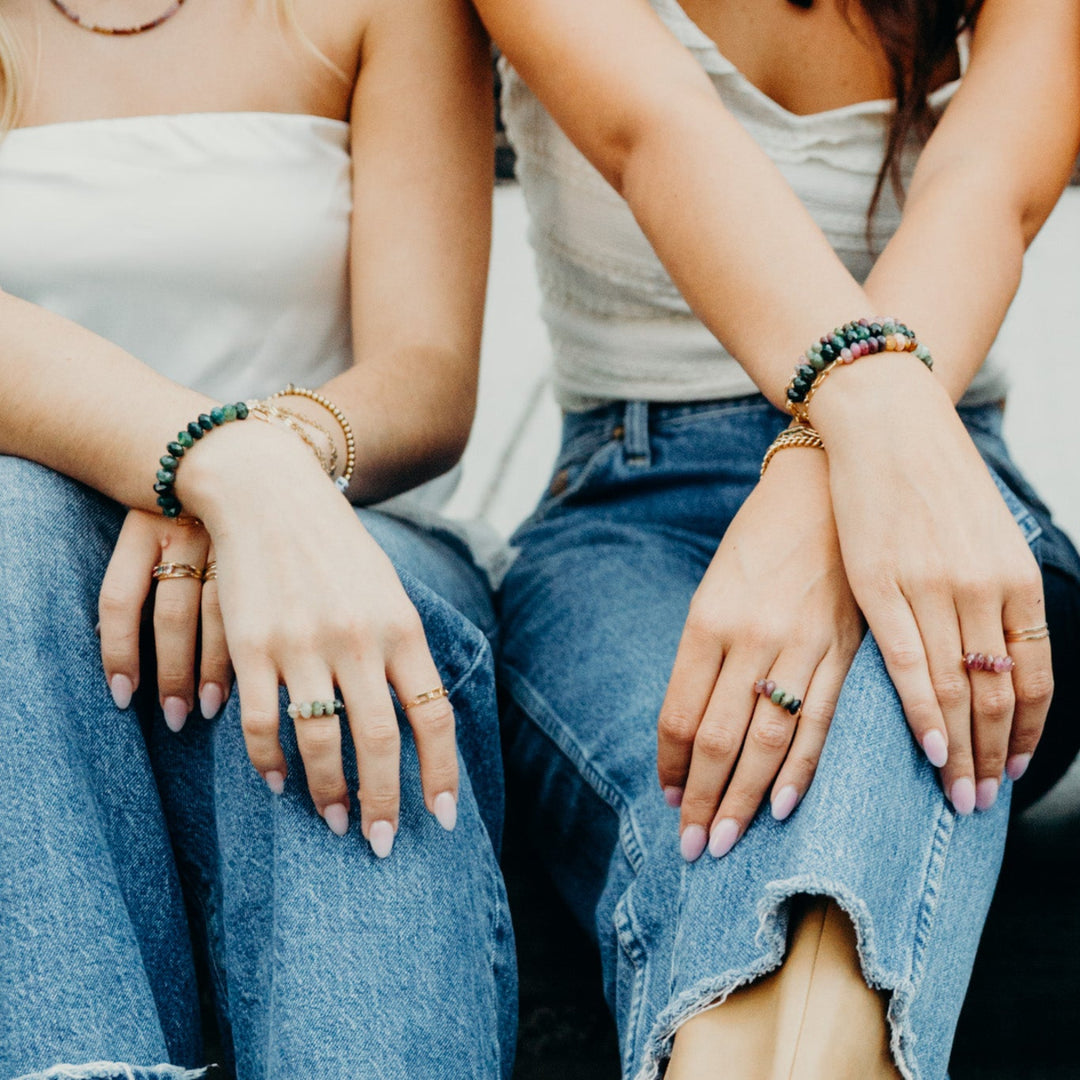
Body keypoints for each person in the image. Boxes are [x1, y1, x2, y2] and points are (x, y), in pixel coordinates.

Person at [473, 0, 1080, 1076]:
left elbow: (986, 190)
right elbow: (654, 128)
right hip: (631, 506)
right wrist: (843, 443)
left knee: (836, 802)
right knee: (717, 817)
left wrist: (827, 473)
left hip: (946, 485)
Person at [0, 1, 515, 1077]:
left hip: (347, 508)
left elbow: (425, 368)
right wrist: (217, 466)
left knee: (327, 625)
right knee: (11, 528)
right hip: (39, 573)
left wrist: (281, 470)